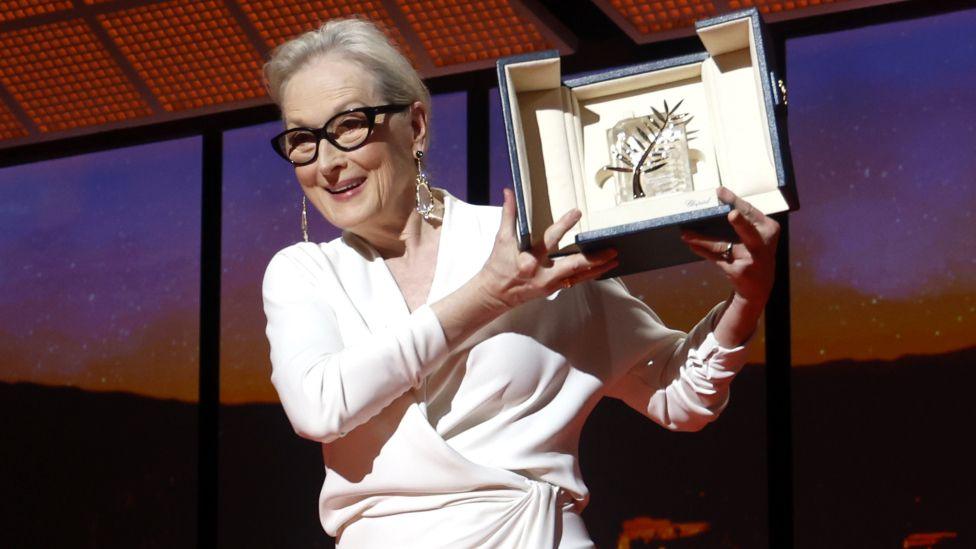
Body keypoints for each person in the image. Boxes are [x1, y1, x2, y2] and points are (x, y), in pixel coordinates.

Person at [260, 17, 780, 549]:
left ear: (415, 126)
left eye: (349, 124)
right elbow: (320, 408)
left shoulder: (531, 249)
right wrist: (487, 295)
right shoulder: (303, 273)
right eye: (303, 139)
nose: (326, 161)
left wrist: (749, 297)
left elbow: (679, 395)